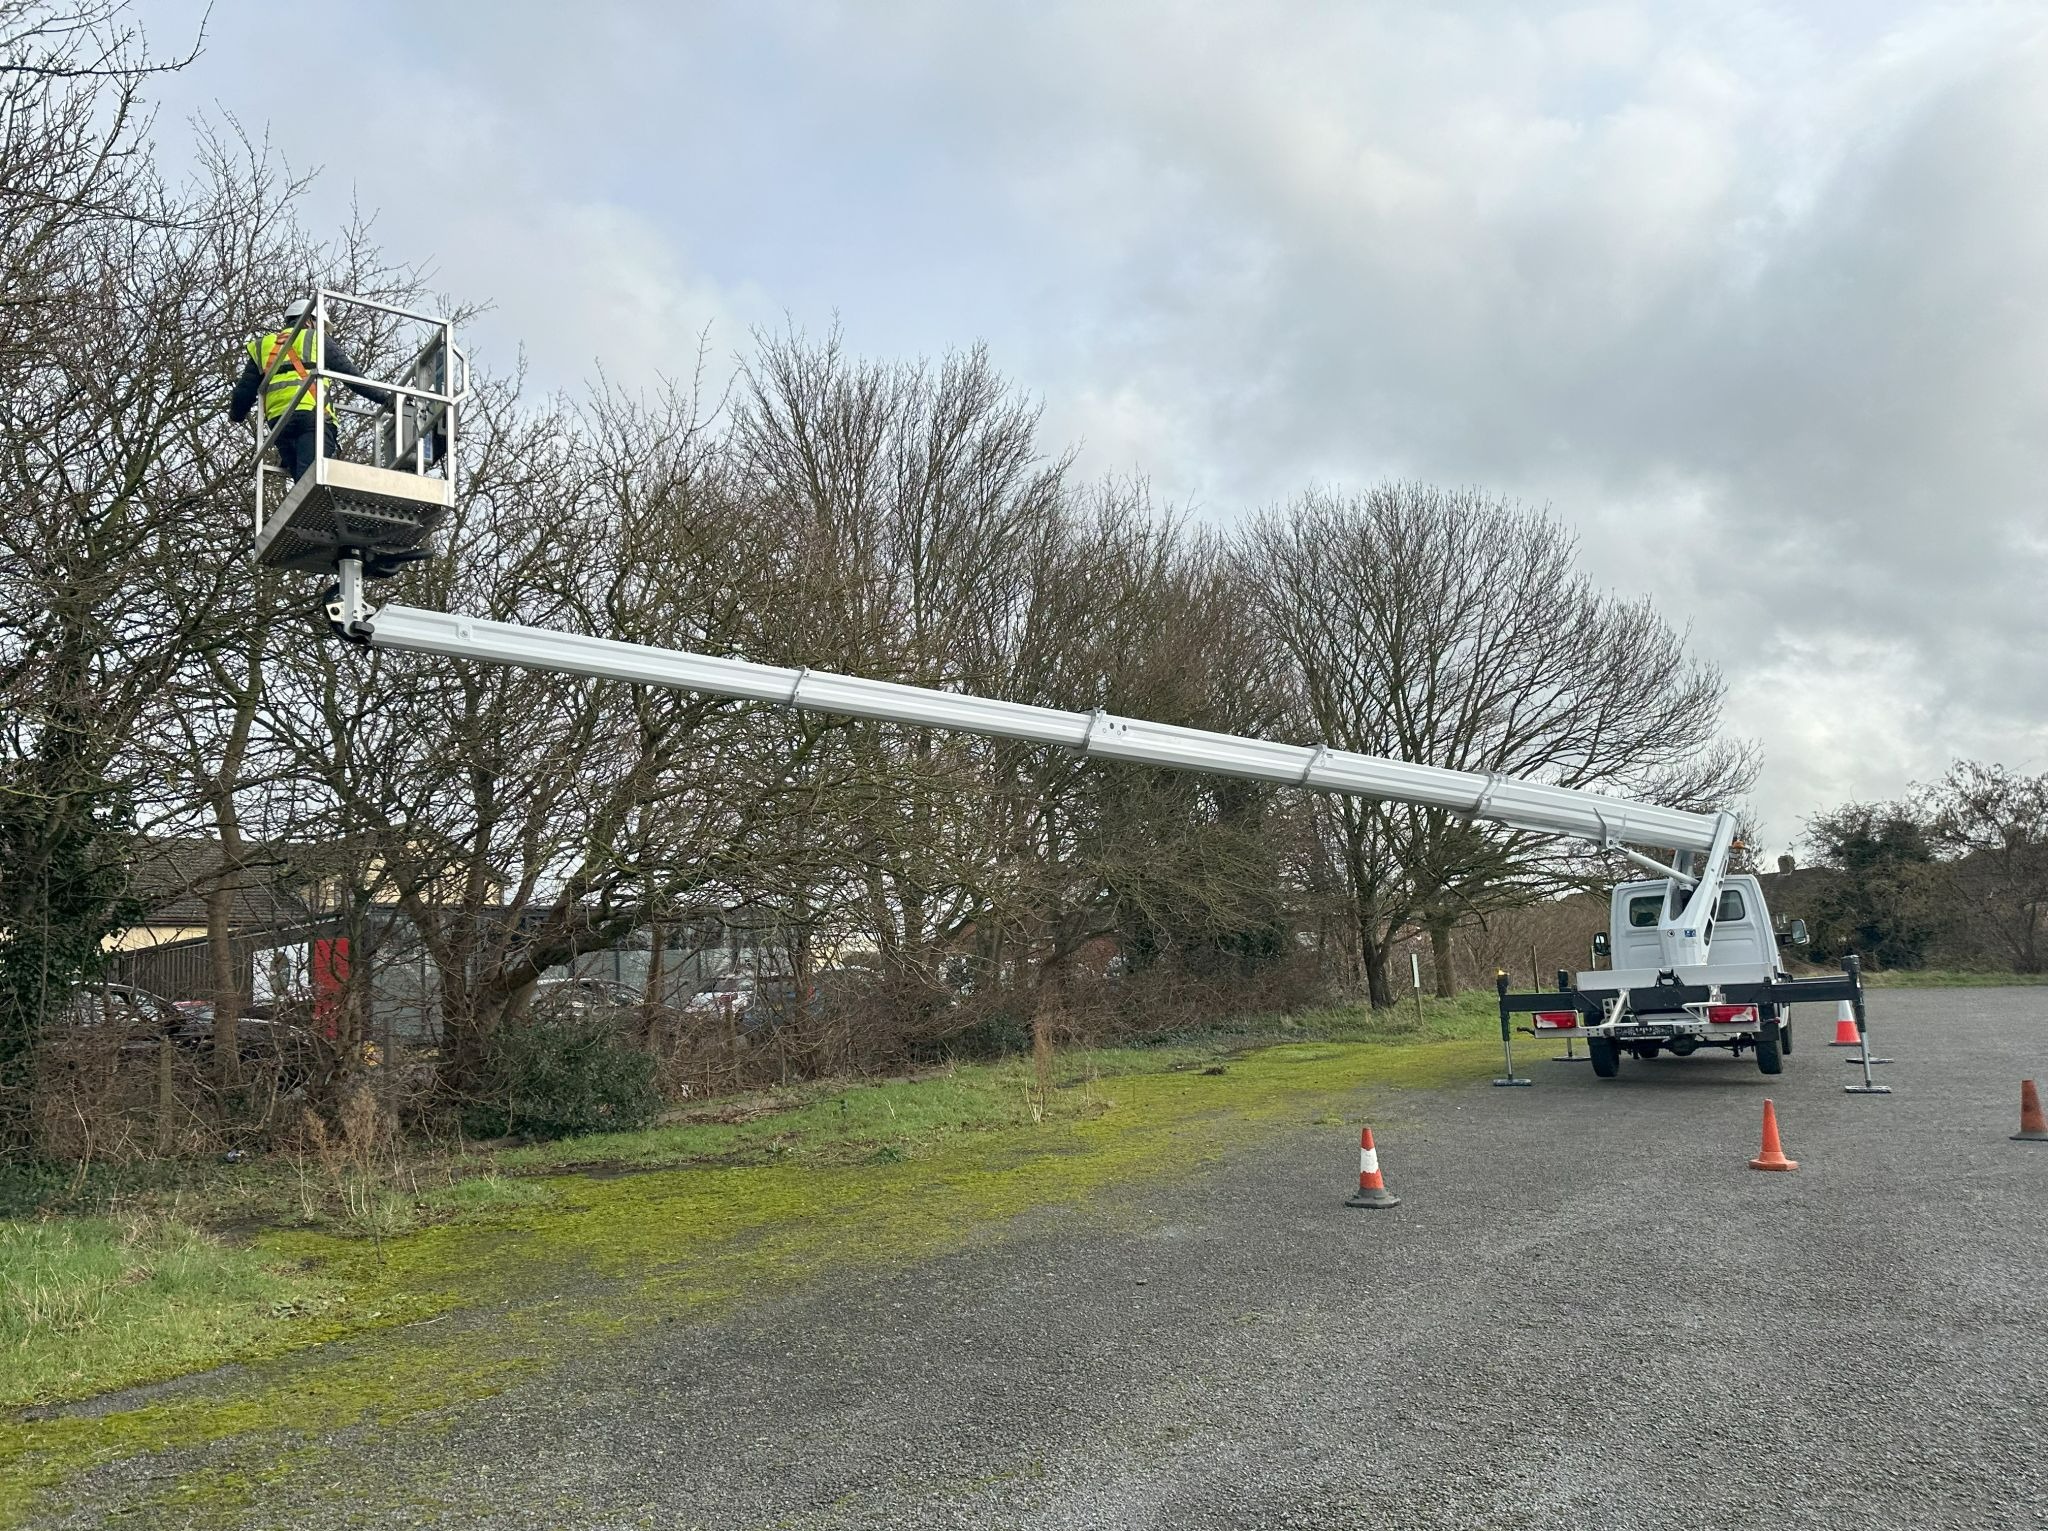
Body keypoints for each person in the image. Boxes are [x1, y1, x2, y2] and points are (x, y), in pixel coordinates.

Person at [228, 298, 391, 483]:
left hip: (279, 424)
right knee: (311, 481)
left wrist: (236, 415)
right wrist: (387, 399)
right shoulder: (316, 338)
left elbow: (244, 392)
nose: (323, 331)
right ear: (308, 321)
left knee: (302, 480)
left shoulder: (263, 345)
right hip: (312, 417)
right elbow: (352, 377)